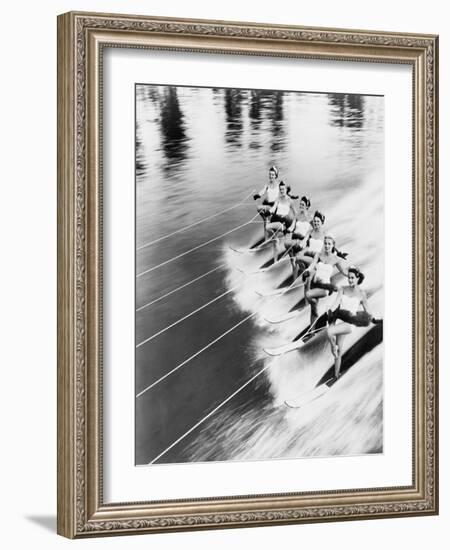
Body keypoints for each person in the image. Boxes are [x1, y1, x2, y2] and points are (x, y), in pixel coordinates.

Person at [326, 266, 375, 379]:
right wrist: (330, 310)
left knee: (329, 332)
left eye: (352, 278)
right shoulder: (342, 289)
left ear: (358, 278)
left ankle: (333, 348)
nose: (350, 280)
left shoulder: (362, 294)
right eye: (349, 278)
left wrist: (373, 319)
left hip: (349, 324)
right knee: (339, 348)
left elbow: (368, 311)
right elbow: (336, 302)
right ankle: (336, 375)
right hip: (340, 320)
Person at [303, 233, 349, 326]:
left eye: (329, 244)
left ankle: (319, 312)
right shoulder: (318, 255)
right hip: (314, 284)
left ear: (333, 245)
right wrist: (307, 270)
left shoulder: (336, 259)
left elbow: (344, 272)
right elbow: (312, 265)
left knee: (308, 295)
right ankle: (311, 332)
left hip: (324, 288)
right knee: (312, 310)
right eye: (325, 243)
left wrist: (354, 274)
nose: (327, 246)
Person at [265, 181, 297, 263]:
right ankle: (275, 261)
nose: (282, 191)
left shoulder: (290, 201)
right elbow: (274, 208)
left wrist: (293, 225)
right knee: (275, 244)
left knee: (267, 227)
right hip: (276, 219)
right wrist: (269, 212)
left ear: (286, 189)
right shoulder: (278, 199)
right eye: (280, 189)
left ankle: (294, 261)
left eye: (283, 189)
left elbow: (296, 214)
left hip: (284, 223)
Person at [284, 195, 312, 279]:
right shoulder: (297, 215)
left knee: (298, 261)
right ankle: (294, 281)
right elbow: (292, 227)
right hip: (294, 239)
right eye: (300, 204)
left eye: (303, 205)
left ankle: (305, 275)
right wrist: (287, 230)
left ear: (307, 206)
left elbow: (313, 231)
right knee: (293, 262)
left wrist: (306, 239)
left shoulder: (310, 218)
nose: (301, 206)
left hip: (302, 242)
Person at [253, 166, 280, 238]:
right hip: (268, 206)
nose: (271, 176)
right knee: (265, 221)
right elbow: (263, 191)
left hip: (275, 207)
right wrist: (258, 195)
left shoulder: (278, 186)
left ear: (276, 176)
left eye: (273, 175)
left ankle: (273, 236)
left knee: (259, 208)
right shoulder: (267, 184)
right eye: (270, 174)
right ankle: (266, 239)